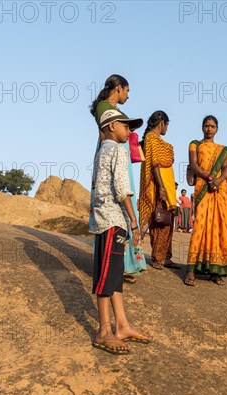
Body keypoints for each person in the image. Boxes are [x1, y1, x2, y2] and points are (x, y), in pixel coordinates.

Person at [89, 109, 151, 355]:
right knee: (107, 276)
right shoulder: (116, 150)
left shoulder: (102, 151)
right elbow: (121, 188)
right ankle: (105, 330)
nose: (130, 130)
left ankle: (122, 324)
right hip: (112, 221)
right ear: (111, 126)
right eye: (126, 126)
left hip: (110, 219)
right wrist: (133, 221)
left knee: (114, 274)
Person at [90, 74, 146, 283]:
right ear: (119, 88)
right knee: (117, 201)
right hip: (112, 153)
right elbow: (107, 136)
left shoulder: (112, 110)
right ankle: (117, 263)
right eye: (127, 91)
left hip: (119, 154)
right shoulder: (105, 108)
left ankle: (125, 263)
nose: (128, 96)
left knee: (125, 197)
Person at [184, 115, 227, 286]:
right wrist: (209, 178)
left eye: (212, 126)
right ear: (202, 127)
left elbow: (226, 168)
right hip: (203, 188)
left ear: (217, 129)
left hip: (218, 191)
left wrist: (219, 180)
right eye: (206, 126)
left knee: (220, 227)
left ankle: (216, 270)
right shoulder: (195, 144)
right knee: (200, 226)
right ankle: (191, 270)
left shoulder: (223, 150)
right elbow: (193, 164)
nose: (209, 129)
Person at [138, 111, 179, 270]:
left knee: (167, 221)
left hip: (168, 188)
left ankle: (166, 257)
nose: (167, 129)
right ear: (162, 122)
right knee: (157, 221)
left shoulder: (161, 142)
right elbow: (154, 164)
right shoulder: (151, 139)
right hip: (157, 187)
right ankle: (157, 257)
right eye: (167, 125)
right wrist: (161, 187)